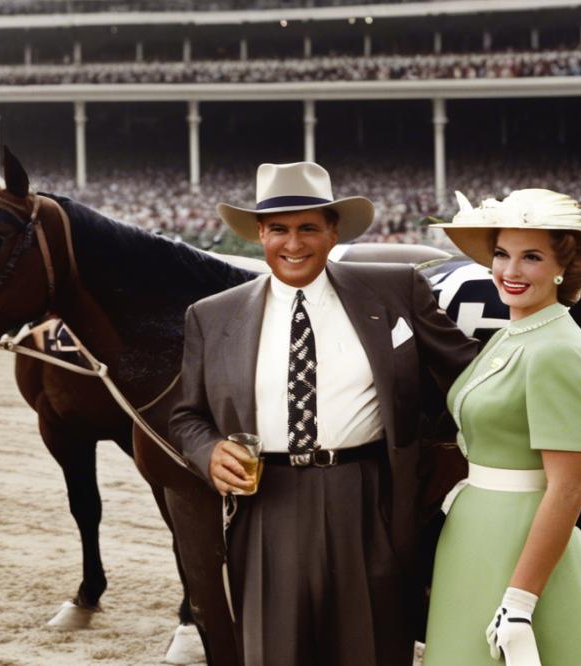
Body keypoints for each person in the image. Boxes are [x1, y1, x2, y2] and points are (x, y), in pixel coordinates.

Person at [168, 161, 478, 666]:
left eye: (308, 228)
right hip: (264, 503)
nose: (293, 243)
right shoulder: (211, 315)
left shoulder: (396, 289)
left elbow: (473, 372)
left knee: (370, 651)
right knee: (275, 653)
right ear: (260, 234)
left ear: (334, 232)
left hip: (370, 498)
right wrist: (208, 452)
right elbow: (186, 418)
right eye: (279, 229)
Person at [424, 189, 581, 665]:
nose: (510, 271)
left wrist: (520, 600)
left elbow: (570, 488)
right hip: (473, 535)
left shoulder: (560, 350)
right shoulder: (512, 333)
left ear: (562, 268)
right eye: (501, 254)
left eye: (531, 257)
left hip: (521, 547)